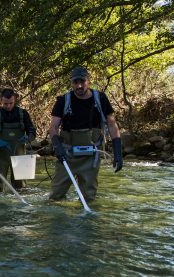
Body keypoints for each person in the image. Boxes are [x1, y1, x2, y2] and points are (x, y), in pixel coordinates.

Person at [47, 66, 123, 203]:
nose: (79, 86)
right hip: (67, 155)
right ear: (71, 83)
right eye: (75, 82)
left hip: (91, 156)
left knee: (88, 198)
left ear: (89, 81)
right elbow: (53, 127)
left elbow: (112, 124)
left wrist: (118, 151)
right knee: (56, 196)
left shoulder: (100, 98)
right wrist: (57, 146)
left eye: (82, 81)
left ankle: (86, 223)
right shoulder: (63, 101)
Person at [0, 88, 37, 193]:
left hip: (20, 155)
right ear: (0, 101)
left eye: (11, 103)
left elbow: (32, 132)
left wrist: (28, 138)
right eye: (5, 104)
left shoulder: (23, 114)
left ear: (15, 100)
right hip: (1, 155)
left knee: (21, 189)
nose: (8, 106)